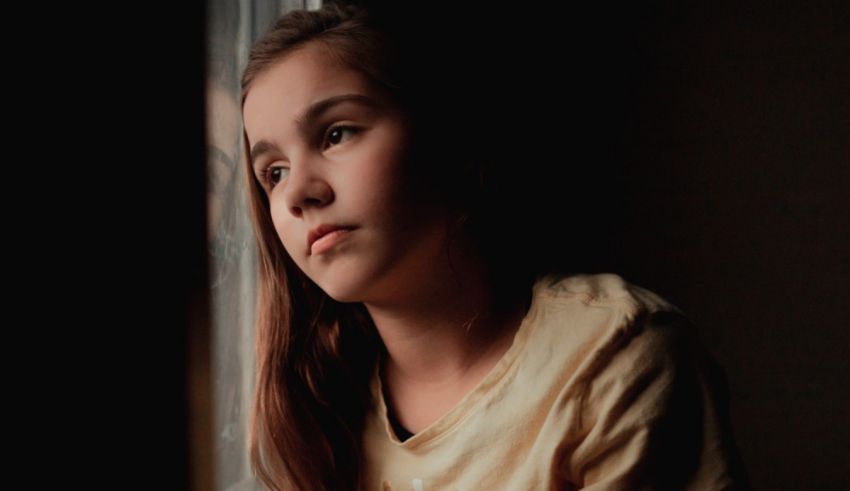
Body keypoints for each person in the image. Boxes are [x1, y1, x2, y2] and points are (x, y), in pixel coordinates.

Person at [238, 2, 750, 490]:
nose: (298, 193)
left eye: (337, 134)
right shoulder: (321, 407)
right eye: (274, 173)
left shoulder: (611, 360)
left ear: (442, 134)